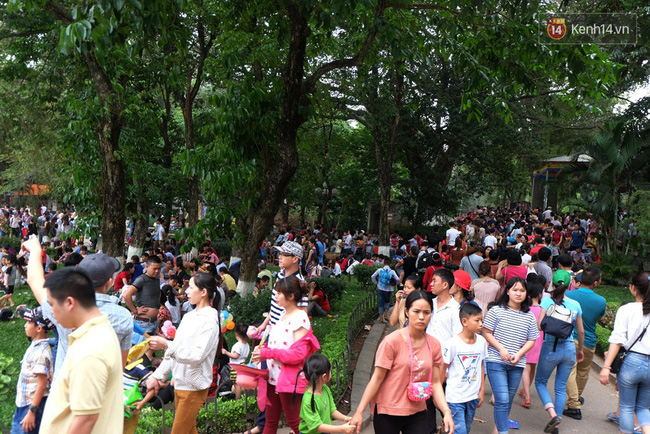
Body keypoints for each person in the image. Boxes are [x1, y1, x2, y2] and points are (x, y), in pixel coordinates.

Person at [23, 237, 133, 373]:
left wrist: (35, 250)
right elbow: (119, 366)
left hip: (63, 389)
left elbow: (34, 279)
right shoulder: (124, 317)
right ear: (109, 283)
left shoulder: (63, 307)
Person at [350, 291, 454, 434]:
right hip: (388, 411)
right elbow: (377, 378)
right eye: (416, 311)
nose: (421, 317)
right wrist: (359, 411)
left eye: (427, 312)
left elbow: (436, 382)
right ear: (406, 312)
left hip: (418, 410)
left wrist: (446, 411)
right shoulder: (391, 342)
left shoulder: (434, 344)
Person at [39, 267, 123, 434]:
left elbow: (86, 420)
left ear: (70, 302)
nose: (51, 312)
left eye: (52, 305)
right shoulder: (99, 329)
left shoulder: (90, 350)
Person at [146, 273, 221, 434]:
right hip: (180, 384)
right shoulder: (189, 317)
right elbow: (174, 352)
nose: (186, 291)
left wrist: (166, 344)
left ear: (203, 292)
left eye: (191, 287)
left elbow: (196, 356)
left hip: (194, 387)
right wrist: (158, 376)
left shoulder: (210, 320)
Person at [251, 275, 320, 434]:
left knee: (296, 423)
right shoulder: (282, 315)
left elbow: (298, 355)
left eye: (278, 293)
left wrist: (266, 353)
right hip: (272, 376)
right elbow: (278, 343)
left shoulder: (300, 318)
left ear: (290, 296)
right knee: (270, 421)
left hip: (289, 379)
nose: (275, 296)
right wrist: (261, 353)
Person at [482, 277, 538, 434]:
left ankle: (497, 429)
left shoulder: (529, 315)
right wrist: (501, 348)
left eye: (522, 290)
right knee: (502, 399)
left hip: (517, 364)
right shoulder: (496, 310)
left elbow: (532, 339)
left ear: (526, 293)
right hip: (496, 361)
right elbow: (486, 332)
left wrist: (520, 354)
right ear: (507, 291)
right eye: (515, 290)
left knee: (508, 401)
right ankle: (502, 431)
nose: (518, 293)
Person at [599, 271, 650, 434]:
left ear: (633, 288)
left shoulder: (627, 309)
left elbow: (617, 340)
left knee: (627, 407)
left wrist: (606, 367)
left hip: (632, 363)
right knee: (643, 408)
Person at [535, 269, 585, 434]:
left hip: (550, 348)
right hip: (570, 347)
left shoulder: (547, 301)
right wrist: (580, 350)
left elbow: (539, 325)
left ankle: (552, 415)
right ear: (570, 284)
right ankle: (556, 422)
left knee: (541, 382)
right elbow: (581, 332)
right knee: (560, 386)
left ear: (553, 284)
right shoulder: (576, 305)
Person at [563, 266, 606, 419]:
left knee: (569, 370)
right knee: (582, 372)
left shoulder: (568, 294)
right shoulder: (601, 301)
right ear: (595, 282)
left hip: (568, 338)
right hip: (588, 341)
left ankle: (574, 403)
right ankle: (575, 400)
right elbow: (598, 318)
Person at [443, 303, 487, 434]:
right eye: (477, 320)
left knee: (466, 429)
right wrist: (438, 393)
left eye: (482, 320)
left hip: (472, 396)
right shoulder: (452, 344)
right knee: (460, 431)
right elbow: (442, 368)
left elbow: (481, 365)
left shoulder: (482, 342)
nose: (481, 324)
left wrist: (482, 390)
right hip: (455, 398)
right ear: (464, 321)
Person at [12, 307, 53, 434]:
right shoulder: (35, 345)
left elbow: (41, 385)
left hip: (32, 406)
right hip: (24, 403)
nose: (25, 325)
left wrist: (32, 412)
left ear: (39, 328)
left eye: (29, 322)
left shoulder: (41, 353)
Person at [299, 354, 355, 434]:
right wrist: (342, 429)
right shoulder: (308, 400)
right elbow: (318, 426)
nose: (331, 372)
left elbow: (332, 410)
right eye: (330, 370)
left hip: (325, 431)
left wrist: (345, 418)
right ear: (324, 376)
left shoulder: (325, 389)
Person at [518, 278, 544, 409]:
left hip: (526, 341)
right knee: (532, 366)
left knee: (525, 368)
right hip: (539, 341)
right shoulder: (543, 310)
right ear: (540, 294)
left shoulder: (524, 310)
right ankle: (525, 389)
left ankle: (527, 396)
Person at [123, 255, 163, 334]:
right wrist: (134, 310)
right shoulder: (141, 279)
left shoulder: (157, 279)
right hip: (143, 323)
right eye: (154, 268)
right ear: (147, 267)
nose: (157, 271)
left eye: (159, 268)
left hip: (154, 322)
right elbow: (126, 295)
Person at [371, 258, 399, 323]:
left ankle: (381, 317)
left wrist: (376, 282)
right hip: (389, 289)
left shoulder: (380, 270)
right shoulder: (392, 271)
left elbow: (373, 276)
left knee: (381, 302)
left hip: (381, 288)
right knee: (387, 301)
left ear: (383, 264)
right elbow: (397, 279)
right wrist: (394, 284)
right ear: (390, 264)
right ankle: (386, 314)